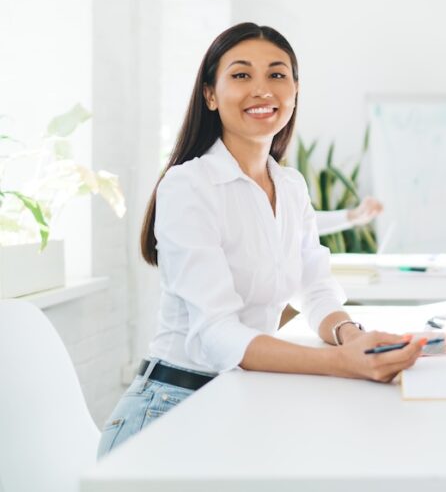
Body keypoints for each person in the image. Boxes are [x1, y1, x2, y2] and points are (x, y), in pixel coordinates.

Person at [97, 23, 424, 457]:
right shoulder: (189, 186)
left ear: (295, 91)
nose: (262, 89)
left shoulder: (290, 186)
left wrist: (350, 336)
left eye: (276, 74)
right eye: (240, 74)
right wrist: (342, 364)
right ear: (210, 95)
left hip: (240, 397)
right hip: (172, 408)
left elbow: (316, 290)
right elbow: (217, 332)